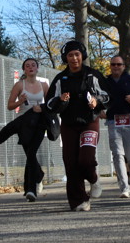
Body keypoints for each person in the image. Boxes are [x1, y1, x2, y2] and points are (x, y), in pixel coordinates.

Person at [45, 40, 109, 212]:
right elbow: (49, 103)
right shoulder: (60, 78)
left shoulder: (93, 75)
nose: (74, 58)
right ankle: (79, 201)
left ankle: (94, 179)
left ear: (82, 56)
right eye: (70, 55)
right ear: (65, 58)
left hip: (90, 122)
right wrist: (60, 100)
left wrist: (97, 100)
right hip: (68, 124)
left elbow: (107, 95)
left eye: (77, 55)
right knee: (70, 162)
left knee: (85, 159)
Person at [0, 58, 51, 202]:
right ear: (24, 69)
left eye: (33, 65)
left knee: (31, 153)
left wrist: (41, 108)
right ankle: (38, 175)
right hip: (24, 123)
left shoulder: (44, 85)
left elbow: (51, 105)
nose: (31, 67)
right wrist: (20, 101)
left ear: (37, 68)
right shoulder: (20, 85)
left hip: (39, 123)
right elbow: (10, 106)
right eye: (27, 66)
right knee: (30, 154)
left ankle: (31, 190)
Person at [103, 55, 130, 198]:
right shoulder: (105, 82)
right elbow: (99, 98)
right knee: (117, 154)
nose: (116, 67)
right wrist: (100, 110)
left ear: (123, 66)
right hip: (113, 121)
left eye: (118, 64)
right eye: (113, 64)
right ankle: (124, 187)